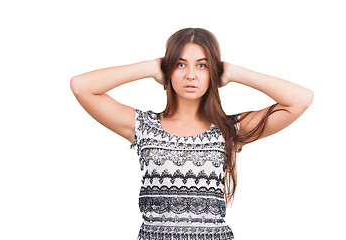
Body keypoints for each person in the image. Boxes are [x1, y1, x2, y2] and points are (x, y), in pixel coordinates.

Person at [70, 27, 314, 240]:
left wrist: (234, 72)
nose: (191, 75)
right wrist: (151, 67)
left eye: (202, 65)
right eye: (180, 64)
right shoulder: (144, 125)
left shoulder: (229, 129)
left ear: (213, 72)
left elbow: (300, 100)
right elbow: (82, 87)